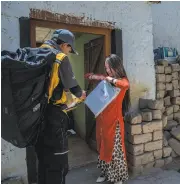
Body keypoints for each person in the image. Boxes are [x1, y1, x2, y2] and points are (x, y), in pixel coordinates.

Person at [35, 29, 86, 184]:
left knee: (44, 159)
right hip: (54, 116)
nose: (69, 51)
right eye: (70, 48)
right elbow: (74, 87)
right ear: (64, 45)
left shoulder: (39, 52)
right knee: (59, 162)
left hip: (37, 114)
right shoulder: (60, 58)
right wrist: (81, 94)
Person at [84, 54, 130, 184]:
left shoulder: (121, 81)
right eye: (106, 67)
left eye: (109, 67)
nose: (107, 70)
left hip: (114, 122)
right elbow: (91, 76)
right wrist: (95, 76)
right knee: (103, 148)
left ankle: (118, 178)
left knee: (115, 151)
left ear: (116, 66)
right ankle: (105, 173)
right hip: (102, 121)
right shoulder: (106, 79)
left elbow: (125, 85)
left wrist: (111, 79)